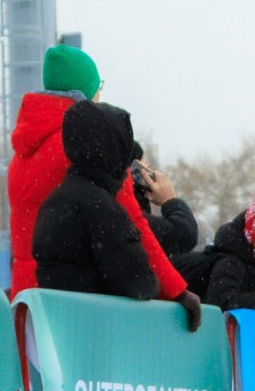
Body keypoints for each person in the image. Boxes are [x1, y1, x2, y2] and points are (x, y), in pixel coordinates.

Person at [6, 43, 191, 315]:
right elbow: (131, 222)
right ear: (86, 91)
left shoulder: (21, 154)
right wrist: (175, 289)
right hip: (76, 299)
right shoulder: (87, 143)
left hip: (28, 295)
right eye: (98, 85)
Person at [31, 100, 197, 318]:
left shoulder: (54, 201)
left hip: (61, 326)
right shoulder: (102, 207)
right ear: (114, 149)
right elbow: (138, 283)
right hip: (96, 330)